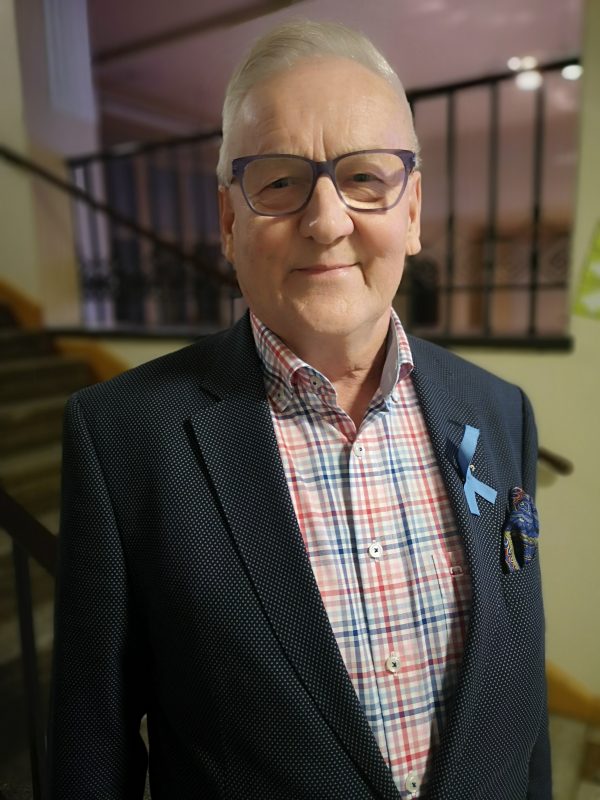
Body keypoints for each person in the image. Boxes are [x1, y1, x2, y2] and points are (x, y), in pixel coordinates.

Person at [48, 20, 551, 800]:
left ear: (412, 212)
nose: (326, 221)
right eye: (280, 181)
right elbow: (91, 755)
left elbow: (521, 714)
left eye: (366, 178)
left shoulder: (499, 411)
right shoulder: (122, 440)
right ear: (229, 220)